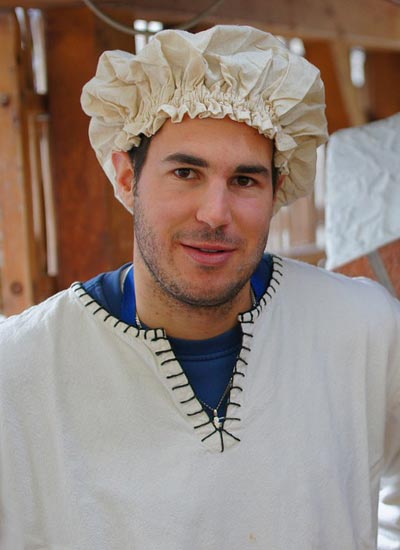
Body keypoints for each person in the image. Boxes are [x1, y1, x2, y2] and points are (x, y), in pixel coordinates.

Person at [0, 25, 399, 550]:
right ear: (127, 178)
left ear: (278, 190)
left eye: (244, 180)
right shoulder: (20, 371)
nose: (215, 214)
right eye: (186, 172)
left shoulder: (364, 330)